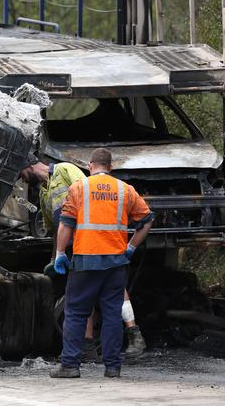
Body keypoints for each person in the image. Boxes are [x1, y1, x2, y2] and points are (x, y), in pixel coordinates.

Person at [19, 155, 147, 361]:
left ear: (29, 166)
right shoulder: (43, 193)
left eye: (21, 174)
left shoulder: (65, 170)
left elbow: (90, 194)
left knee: (111, 292)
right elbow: (57, 229)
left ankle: (134, 336)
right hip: (77, 247)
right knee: (85, 296)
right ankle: (88, 345)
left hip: (95, 241)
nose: (22, 180)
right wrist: (56, 257)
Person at [49, 148, 153, 379]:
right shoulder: (125, 190)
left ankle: (70, 366)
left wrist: (60, 253)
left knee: (76, 313)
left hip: (86, 261)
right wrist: (130, 248)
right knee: (112, 314)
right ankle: (113, 367)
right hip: (116, 262)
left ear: (90, 165)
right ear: (111, 167)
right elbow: (146, 221)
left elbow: (65, 224)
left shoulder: (79, 187)